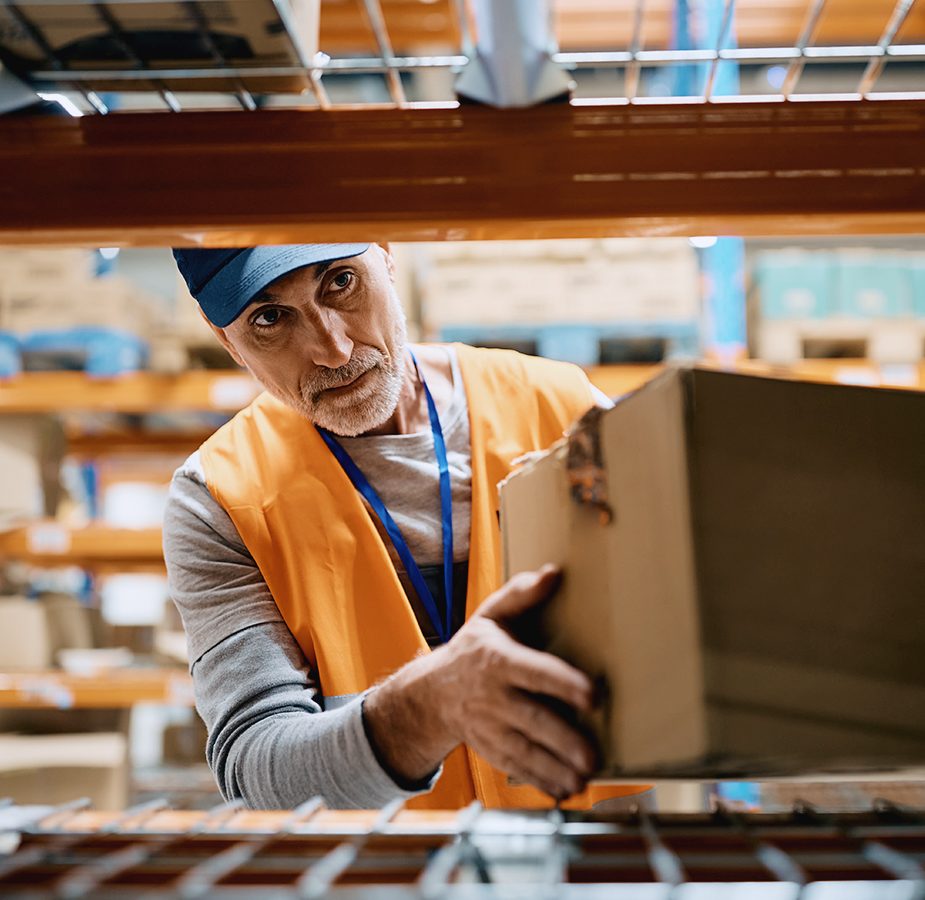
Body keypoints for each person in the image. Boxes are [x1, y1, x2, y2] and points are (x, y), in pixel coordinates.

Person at [163, 243, 649, 811]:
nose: (332, 349)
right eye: (269, 318)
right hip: (386, 876)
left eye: (341, 282)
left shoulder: (568, 412)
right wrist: (432, 704)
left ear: (387, 256)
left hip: (604, 868)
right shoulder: (220, 498)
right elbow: (256, 764)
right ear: (226, 339)